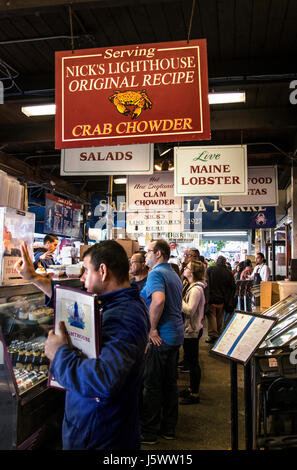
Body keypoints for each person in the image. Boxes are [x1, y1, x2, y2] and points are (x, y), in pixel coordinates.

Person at [15, 240, 150, 450]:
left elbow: (104, 379)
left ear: (103, 271)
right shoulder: (116, 302)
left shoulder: (124, 317)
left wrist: (59, 354)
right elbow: (73, 305)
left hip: (100, 433)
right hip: (93, 425)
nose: (82, 277)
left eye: (86, 270)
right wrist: (33, 277)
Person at [140, 239, 183, 445]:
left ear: (158, 254)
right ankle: (169, 428)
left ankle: (149, 432)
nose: (145, 255)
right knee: (169, 383)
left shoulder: (156, 273)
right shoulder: (173, 273)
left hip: (161, 337)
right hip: (175, 334)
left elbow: (158, 300)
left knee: (152, 385)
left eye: (148, 251)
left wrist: (152, 328)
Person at [179, 260, 206, 405]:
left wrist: (178, 299)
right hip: (190, 329)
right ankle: (191, 388)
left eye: (188, 267)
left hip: (193, 330)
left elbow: (190, 310)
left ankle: (195, 394)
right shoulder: (192, 286)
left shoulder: (196, 289)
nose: (185, 268)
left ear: (193, 272)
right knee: (190, 361)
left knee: (193, 363)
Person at [206, 255, 236, 344]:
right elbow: (233, 286)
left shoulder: (210, 270)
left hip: (212, 298)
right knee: (219, 317)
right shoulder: (228, 272)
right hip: (223, 299)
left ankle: (213, 335)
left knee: (211, 317)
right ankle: (218, 333)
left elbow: (207, 283)